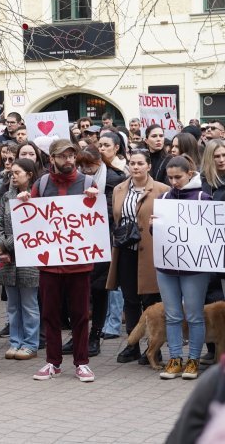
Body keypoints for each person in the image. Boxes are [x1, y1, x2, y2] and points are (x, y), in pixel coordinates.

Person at [24, 139, 98, 382]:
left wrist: (93, 200)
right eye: (62, 156)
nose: (68, 160)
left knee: (80, 314)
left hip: (79, 263)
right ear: (52, 159)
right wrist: (25, 202)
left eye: (71, 155)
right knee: (50, 314)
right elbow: (30, 218)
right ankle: (52, 362)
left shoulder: (88, 183)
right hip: (50, 265)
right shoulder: (42, 183)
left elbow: (97, 220)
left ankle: (82, 362)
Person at [106, 148, 169, 364]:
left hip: (151, 253)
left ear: (149, 166)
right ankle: (132, 346)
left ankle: (154, 349)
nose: (135, 167)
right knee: (130, 300)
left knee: (151, 300)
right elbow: (116, 218)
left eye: (140, 163)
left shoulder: (162, 189)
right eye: (132, 163)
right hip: (125, 252)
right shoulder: (119, 189)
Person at [154, 155, 211, 380]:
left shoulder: (202, 198)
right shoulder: (164, 197)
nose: (174, 181)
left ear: (190, 173)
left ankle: (193, 359)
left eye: (178, 177)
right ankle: (175, 358)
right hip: (167, 266)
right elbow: (159, 237)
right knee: (172, 315)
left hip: (195, 267)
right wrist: (153, 227)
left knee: (195, 315)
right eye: (170, 177)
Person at [71, 145, 126, 357]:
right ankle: (78, 336)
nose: (85, 169)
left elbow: (115, 211)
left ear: (100, 162)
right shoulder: (78, 179)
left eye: (89, 165)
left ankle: (94, 336)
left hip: (103, 241)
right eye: (81, 165)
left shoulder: (113, 179)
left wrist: (96, 201)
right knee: (79, 290)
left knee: (98, 289)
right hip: (80, 241)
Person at [0, 158, 40, 361]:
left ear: (29, 174)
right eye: (11, 173)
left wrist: (6, 245)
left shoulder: (37, 197)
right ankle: (15, 341)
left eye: (17, 173)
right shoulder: (6, 197)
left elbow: (31, 230)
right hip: (8, 260)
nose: (12, 176)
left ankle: (31, 343)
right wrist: (1, 246)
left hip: (30, 258)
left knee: (29, 304)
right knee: (12, 305)